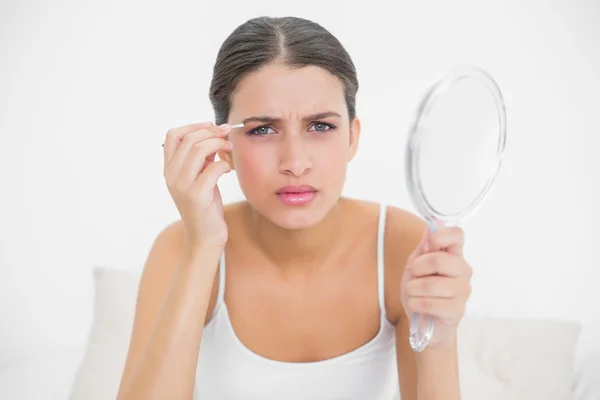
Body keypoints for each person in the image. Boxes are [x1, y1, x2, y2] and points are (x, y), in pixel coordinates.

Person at [117, 16, 472, 400]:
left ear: (352, 138)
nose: (295, 162)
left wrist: (438, 340)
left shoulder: (402, 245)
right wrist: (203, 245)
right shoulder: (180, 247)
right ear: (224, 146)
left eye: (320, 126)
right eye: (262, 129)